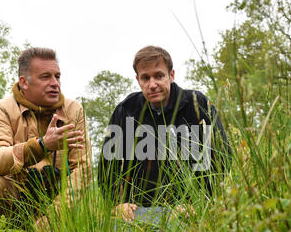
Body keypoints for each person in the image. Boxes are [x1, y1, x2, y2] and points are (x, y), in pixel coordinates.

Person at [0, 47, 91, 232]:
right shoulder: (3, 109)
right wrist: (41, 145)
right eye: (45, 77)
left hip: (56, 200)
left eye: (57, 76)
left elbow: (82, 169)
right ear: (24, 82)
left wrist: (54, 217)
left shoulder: (73, 110)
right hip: (15, 196)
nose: (55, 83)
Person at [98, 46, 228, 222]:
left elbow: (222, 156)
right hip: (137, 211)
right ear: (138, 80)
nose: (152, 85)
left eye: (159, 76)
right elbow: (108, 164)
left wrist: (201, 199)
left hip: (189, 209)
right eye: (145, 78)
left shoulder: (196, 105)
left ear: (171, 75)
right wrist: (117, 203)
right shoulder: (126, 110)